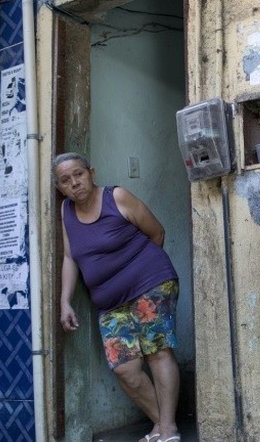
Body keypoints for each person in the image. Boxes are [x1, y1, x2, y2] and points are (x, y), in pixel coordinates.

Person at [55, 152, 182, 442]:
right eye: (65, 180)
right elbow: (69, 257)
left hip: (150, 283)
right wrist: (65, 301)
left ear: (91, 172)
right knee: (125, 368)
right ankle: (163, 426)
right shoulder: (65, 212)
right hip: (110, 302)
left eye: (78, 174)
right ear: (60, 188)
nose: (74, 183)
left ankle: (168, 431)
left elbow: (157, 233)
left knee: (158, 351)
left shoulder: (117, 197)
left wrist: (138, 271)